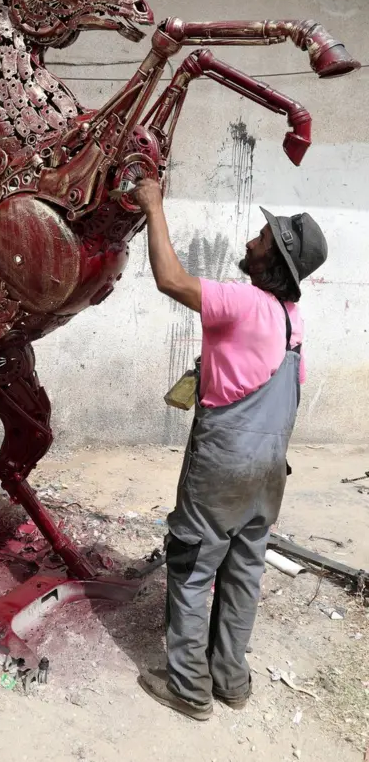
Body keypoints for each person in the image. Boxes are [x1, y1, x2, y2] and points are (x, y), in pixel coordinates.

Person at [131, 177, 327, 721]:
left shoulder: (243, 302)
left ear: (275, 261)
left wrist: (153, 204)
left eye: (261, 238)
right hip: (270, 472)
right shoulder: (294, 323)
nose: (249, 242)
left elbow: (170, 278)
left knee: (193, 565)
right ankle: (231, 679)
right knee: (244, 568)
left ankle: (189, 688)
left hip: (224, 463)